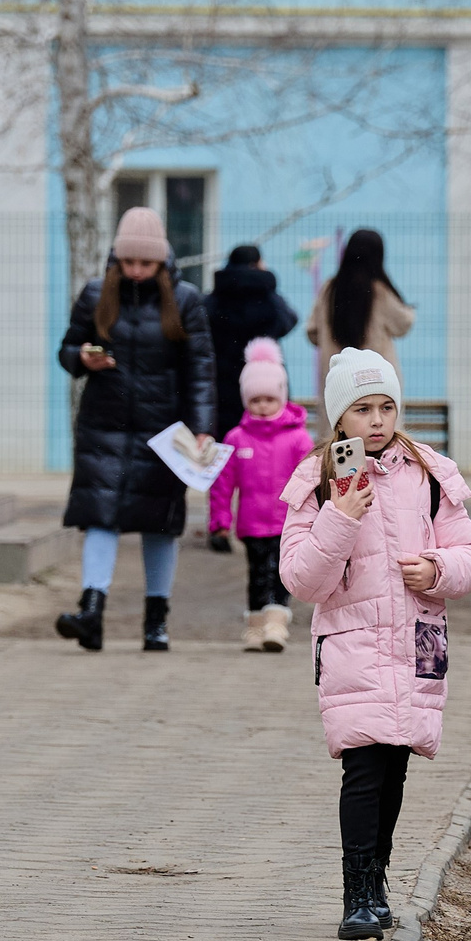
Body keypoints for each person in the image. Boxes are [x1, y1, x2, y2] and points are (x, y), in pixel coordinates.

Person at [279, 347, 471, 940]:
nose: (376, 420)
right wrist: (340, 516)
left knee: (394, 768)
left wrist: (439, 568)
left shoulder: (427, 473)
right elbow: (301, 580)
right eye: (361, 408)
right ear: (338, 418)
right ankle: (356, 893)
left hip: (416, 643)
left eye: (386, 406)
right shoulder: (318, 479)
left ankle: (378, 886)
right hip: (353, 645)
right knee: (364, 769)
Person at [55, 207, 216, 653]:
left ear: (162, 261)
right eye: (129, 262)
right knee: (99, 517)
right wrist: (82, 359)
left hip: (163, 431)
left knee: (160, 523)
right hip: (103, 425)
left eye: (146, 263)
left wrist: (202, 427)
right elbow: (68, 347)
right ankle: (91, 612)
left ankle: (156, 621)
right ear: (118, 258)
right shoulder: (94, 294)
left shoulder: (185, 300)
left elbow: (201, 369)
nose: (137, 271)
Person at [206, 338, 315, 652]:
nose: (263, 406)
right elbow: (222, 485)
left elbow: (309, 480)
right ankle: (255, 626)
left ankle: (276, 624)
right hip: (252, 523)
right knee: (256, 574)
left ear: (281, 396)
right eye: (256, 400)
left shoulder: (297, 439)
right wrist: (219, 522)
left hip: (287, 523)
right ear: (245, 400)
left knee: (282, 573)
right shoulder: (236, 438)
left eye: (270, 398)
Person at [204, 245, 301, 434]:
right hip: (264, 381)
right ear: (257, 263)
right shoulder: (268, 296)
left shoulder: (216, 296)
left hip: (222, 381)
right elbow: (289, 321)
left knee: (229, 439)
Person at [305, 229, 414, 395]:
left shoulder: (330, 289)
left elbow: (312, 332)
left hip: (337, 380)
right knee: (378, 419)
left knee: (338, 419)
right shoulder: (380, 292)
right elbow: (403, 324)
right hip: (376, 379)